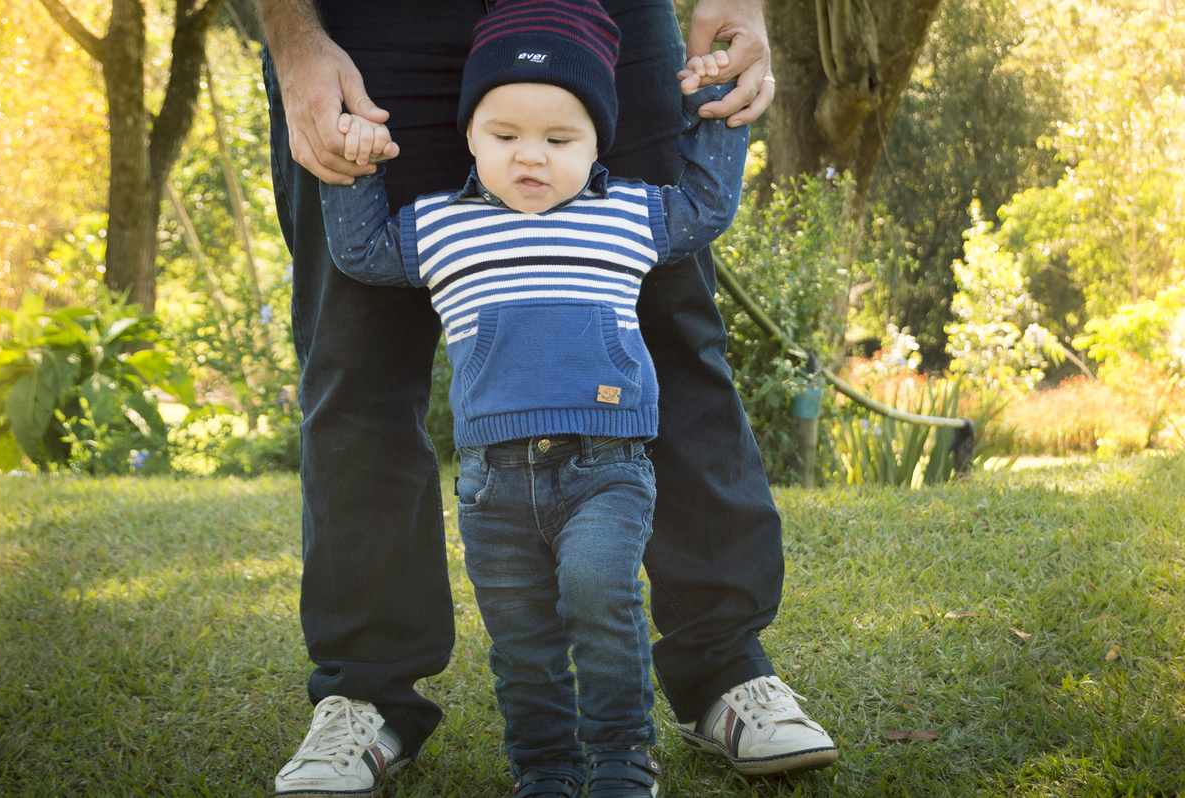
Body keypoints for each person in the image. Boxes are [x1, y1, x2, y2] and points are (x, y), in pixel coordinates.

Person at [257, 1, 839, 796]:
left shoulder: (629, 213)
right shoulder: (441, 226)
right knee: (354, 362)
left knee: (677, 330)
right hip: (371, 24)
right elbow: (364, 253)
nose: (532, 157)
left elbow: (702, 206)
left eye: (558, 145)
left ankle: (726, 668)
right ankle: (364, 690)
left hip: (608, 16)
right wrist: (297, 41)